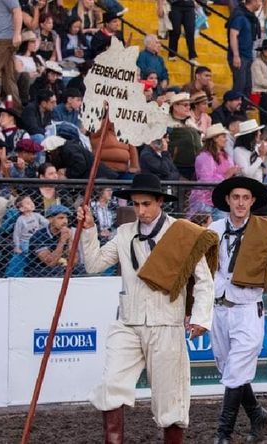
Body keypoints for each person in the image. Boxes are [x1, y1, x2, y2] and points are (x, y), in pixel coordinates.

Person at [76, 173, 215, 444]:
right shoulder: (124, 232)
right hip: (128, 321)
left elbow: (204, 281)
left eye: (147, 204)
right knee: (111, 386)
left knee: (170, 400)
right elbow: (93, 264)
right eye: (136, 204)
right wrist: (89, 229)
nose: (141, 210)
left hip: (167, 323)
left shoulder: (182, 232)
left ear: (160, 201)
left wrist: (200, 317)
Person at [208, 176, 267, 443]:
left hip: (249, 309)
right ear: (228, 200)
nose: (240, 203)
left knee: (236, 369)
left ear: (252, 201)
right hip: (219, 309)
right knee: (229, 369)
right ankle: (256, 413)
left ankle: (223, 433)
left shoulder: (266, 232)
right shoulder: (214, 229)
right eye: (235, 197)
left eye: (245, 198)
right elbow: (204, 269)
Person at [190, 123, 240, 220]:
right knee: (203, 227)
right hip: (204, 199)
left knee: (220, 227)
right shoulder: (204, 156)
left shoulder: (226, 156)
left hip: (220, 198)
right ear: (215, 138)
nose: (226, 139)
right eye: (223, 136)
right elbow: (206, 180)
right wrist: (226, 175)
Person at [26, 204, 81, 277]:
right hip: (39, 270)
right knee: (56, 271)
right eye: (60, 218)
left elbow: (74, 261)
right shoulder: (38, 236)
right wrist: (62, 241)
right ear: (50, 219)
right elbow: (51, 263)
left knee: (81, 269)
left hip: (61, 268)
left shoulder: (67, 233)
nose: (65, 221)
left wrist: (70, 239)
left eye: (66, 218)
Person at [0, 0, 23, 110]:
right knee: (7, 78)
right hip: (0, 38)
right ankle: (14, 110)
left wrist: (17, 34)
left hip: (2, 39)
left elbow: (17, 10)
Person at [227, 0, 261, 97]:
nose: (260, 4)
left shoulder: (250, 17)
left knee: (247, 86)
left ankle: (242, 109)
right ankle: (235, 109)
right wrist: (236, 55)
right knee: (240, 85)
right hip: (240, 56)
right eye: (259, 1)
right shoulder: (240, 16)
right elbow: (233, 35)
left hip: (248, 56)